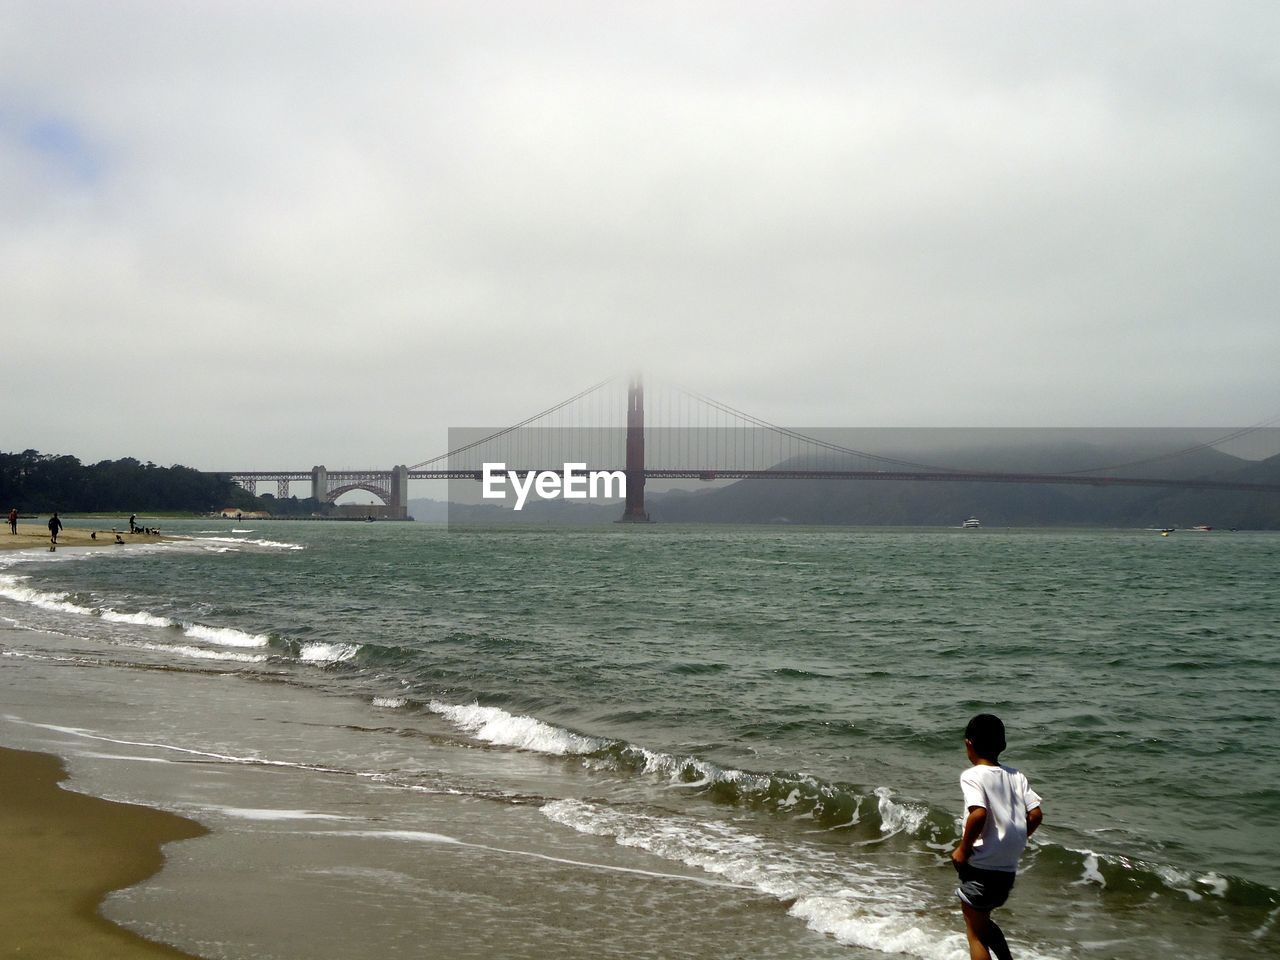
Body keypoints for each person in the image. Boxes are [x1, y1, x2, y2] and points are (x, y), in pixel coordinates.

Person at [951, 714, 1043, 960]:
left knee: (975, 934)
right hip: (1006, 872)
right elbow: (1035, 815)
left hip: (981, 868)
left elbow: (978, 814)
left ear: (968, 744)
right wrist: (1015, 840)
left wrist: (963, 849)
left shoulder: (972, 775)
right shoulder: (1017, 776)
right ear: (1002, 745)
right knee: (984, 923)